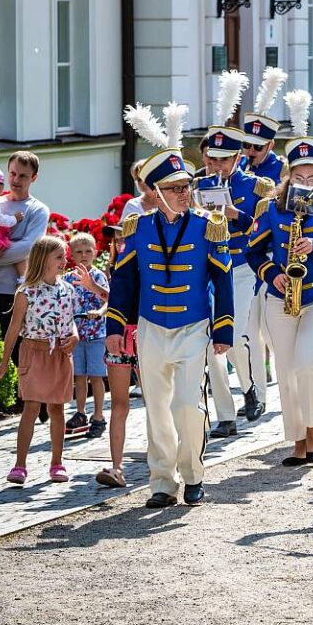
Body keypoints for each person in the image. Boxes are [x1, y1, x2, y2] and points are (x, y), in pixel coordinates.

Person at [106, 104, 235, 508]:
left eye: (187, 186)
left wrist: (224, 328)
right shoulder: (136, 229)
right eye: (177, 188)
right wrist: (114, 327)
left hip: (194, 327)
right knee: (157, 408)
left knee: (185, 404)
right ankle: (162, 481)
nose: (186, 193)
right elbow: (124, 281)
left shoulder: (206, 226)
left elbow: (222, 278)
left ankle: (194, 473)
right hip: (149, 328)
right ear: (156, 192)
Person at [253, 130, 313, 467]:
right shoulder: (270, 207)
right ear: (288, 175)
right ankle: (296, 439)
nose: (306, 182)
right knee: (285, 368)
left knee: (307, 362)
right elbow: (253, 251)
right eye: (299, 176)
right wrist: (271, 274)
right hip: (280, 297)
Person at [197, 76, 277, 436]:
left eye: (224, 159)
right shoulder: (197, 187)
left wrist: (238, 217)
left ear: (237, 156)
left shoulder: (255, 186)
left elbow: (265, 228)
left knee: (240, 333)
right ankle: (225, 414)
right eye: (212, 158)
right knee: (211, 340)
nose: (217, 165)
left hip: (244, 266)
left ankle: (250, 389)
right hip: (208, 269)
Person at [0, 152, 50, 430]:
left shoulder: (37, 210)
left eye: (23, 176)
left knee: (20, 352)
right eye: (12, 173)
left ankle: (38, 402)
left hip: (15, 292)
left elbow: (30, 246)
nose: (15, 180)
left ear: (34, 178)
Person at [0, 236, 77, 486]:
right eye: (59, 257)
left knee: (57, 409)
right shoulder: (26, 292)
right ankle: (19, 465)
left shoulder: (68, 289)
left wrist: (74, 335)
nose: (64, 261)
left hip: (60, 355)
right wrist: (4, 361)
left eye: (64, 256)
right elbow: (13, 328)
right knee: (30, 407)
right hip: (33, 351)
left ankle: (56, 463)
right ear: (44, 259)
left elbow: (70, 320)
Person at [63, 233, 110, 442]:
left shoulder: (98, 276)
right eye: (79, 252)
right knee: (79, 376)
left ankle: (98, 414)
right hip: (76, 334)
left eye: (88, 251)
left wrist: (99, 312)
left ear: (95, 253)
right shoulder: (67, 278)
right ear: (71, 255)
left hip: (96, 333)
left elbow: (107, 299)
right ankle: (80, 411)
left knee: (96, 375)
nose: (84, 255)